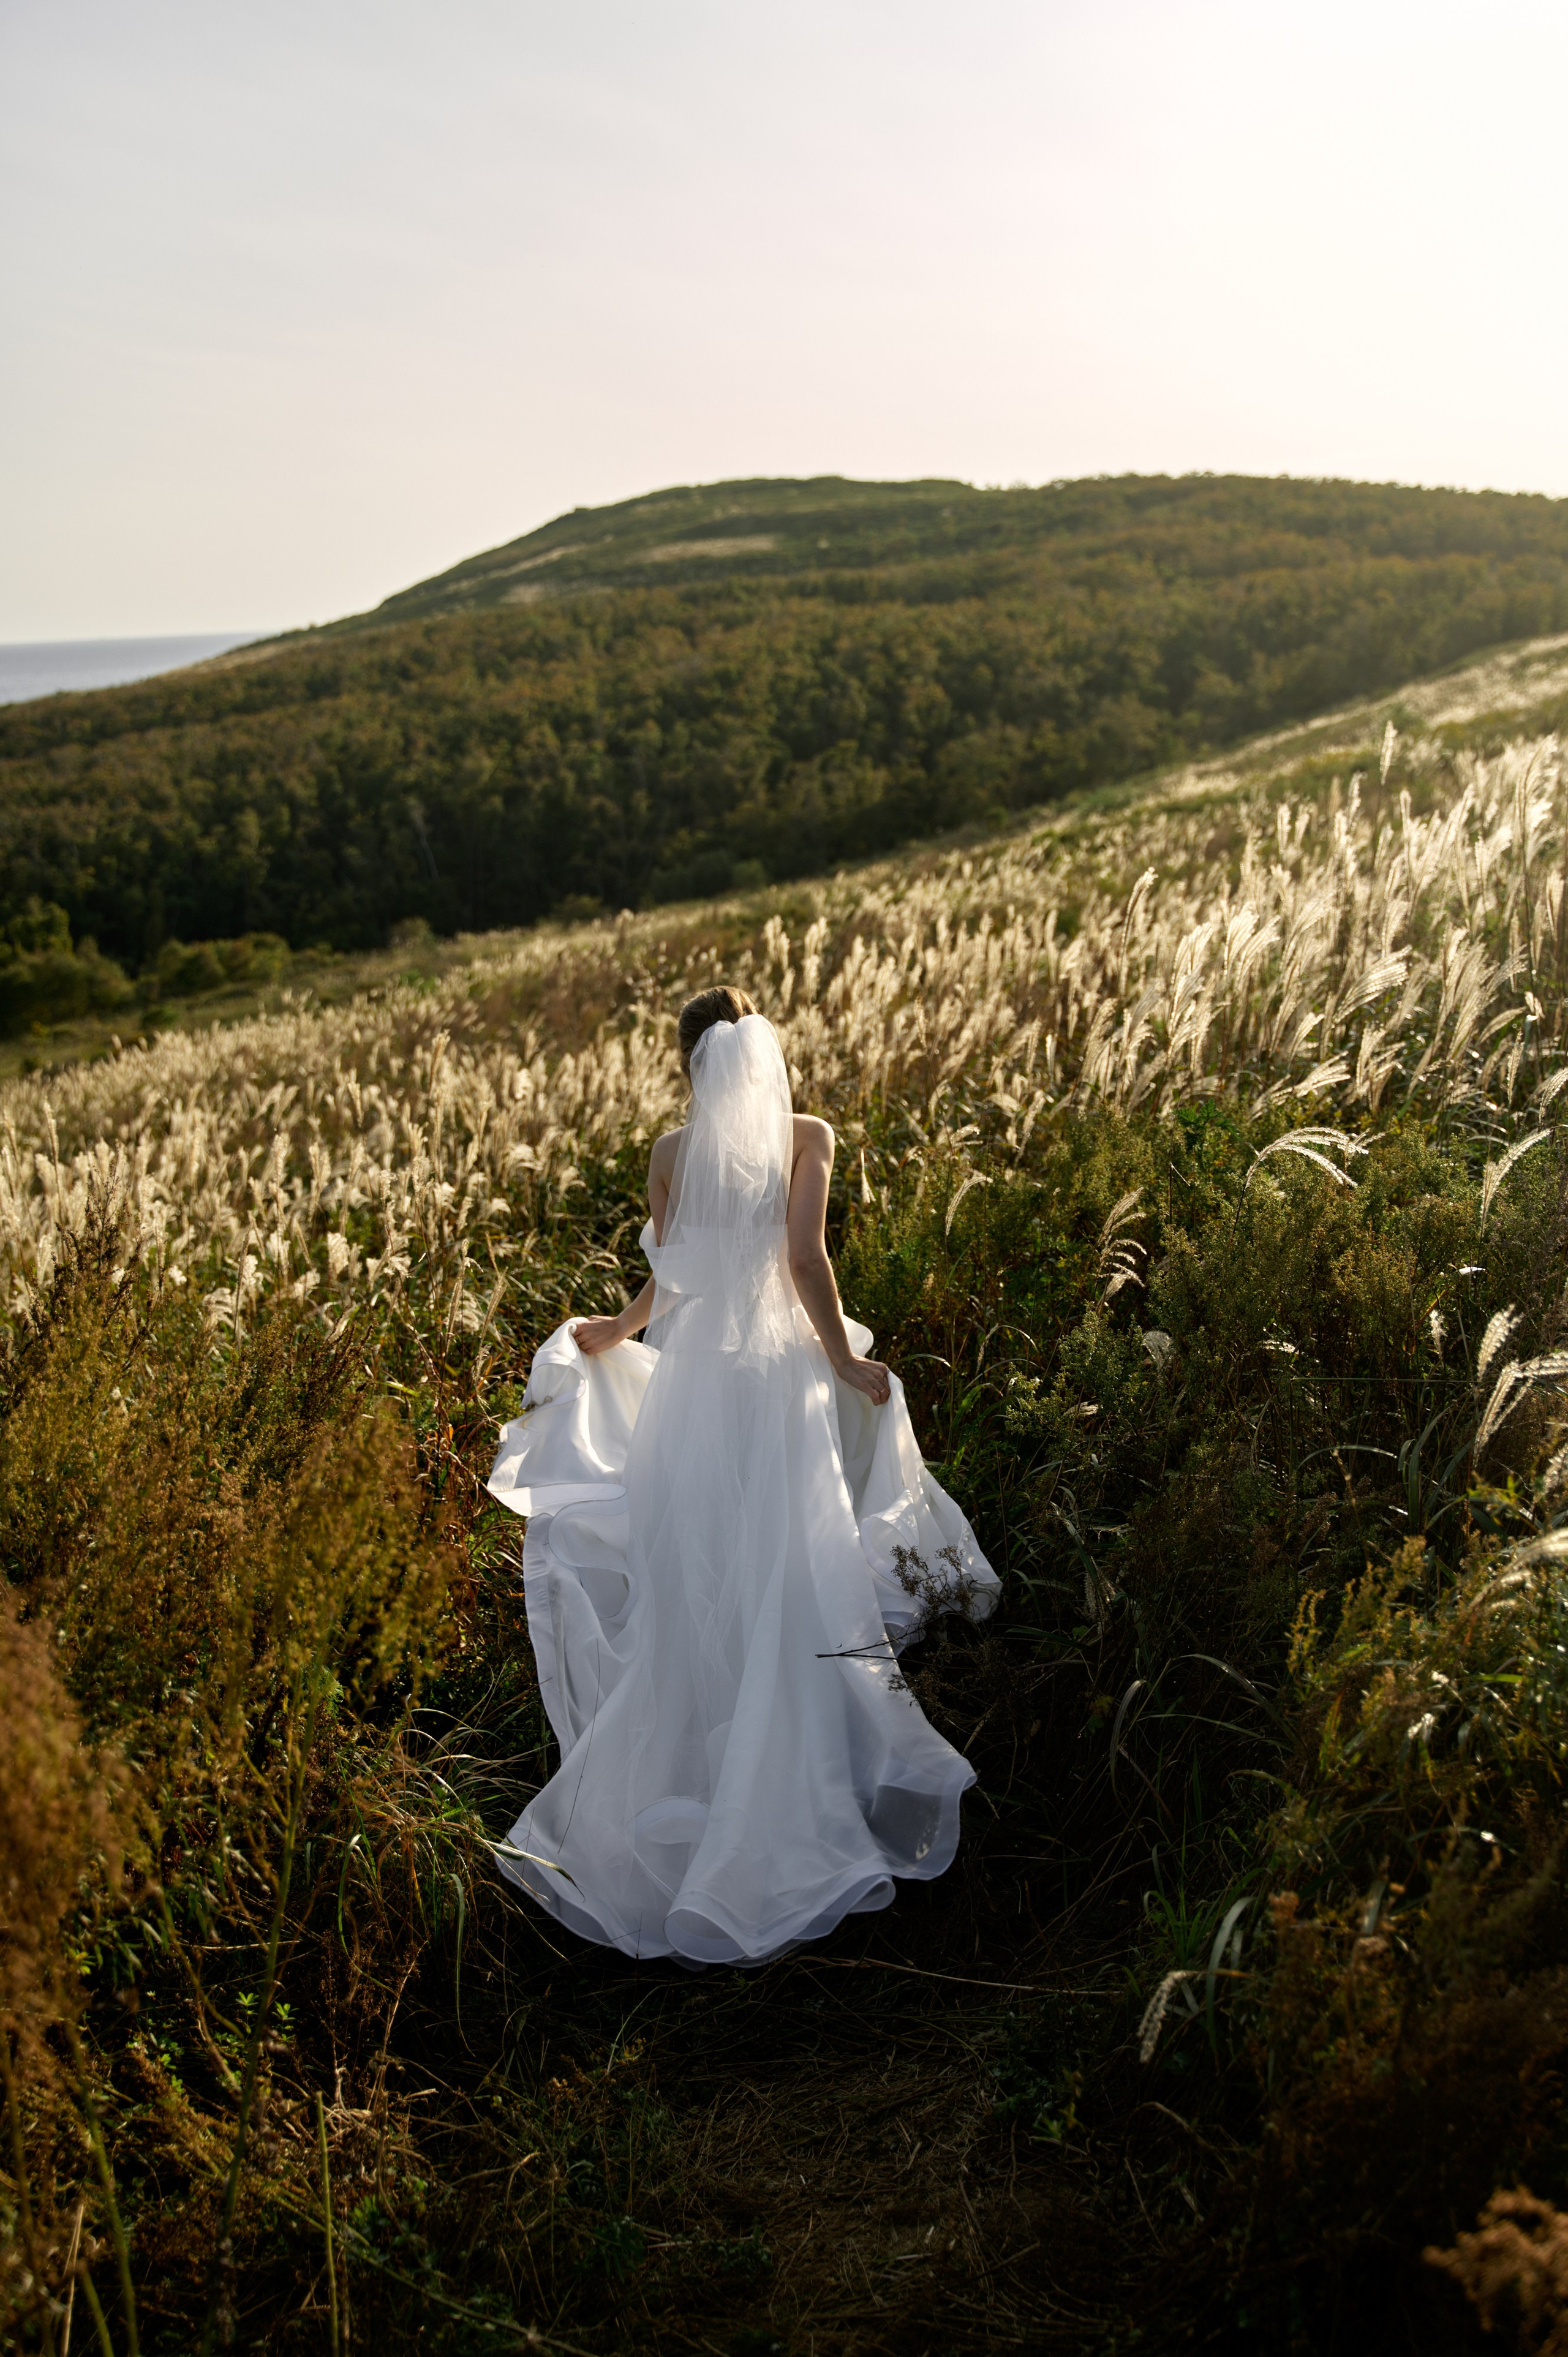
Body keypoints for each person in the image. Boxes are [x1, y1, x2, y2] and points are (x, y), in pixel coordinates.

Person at [487, 986, 998, 1964]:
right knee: (789, 1579)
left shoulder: (669, 1156)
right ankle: (789, 1785)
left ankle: (702, 1782)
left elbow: (672, 1278)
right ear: (760, 1050)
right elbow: (805, 1259)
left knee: (698, 1591)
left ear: (688, 1065)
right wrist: (842, 1360)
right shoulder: (809, 1132)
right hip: (774, 1387)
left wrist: (615, 1330)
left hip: (692, 1397)